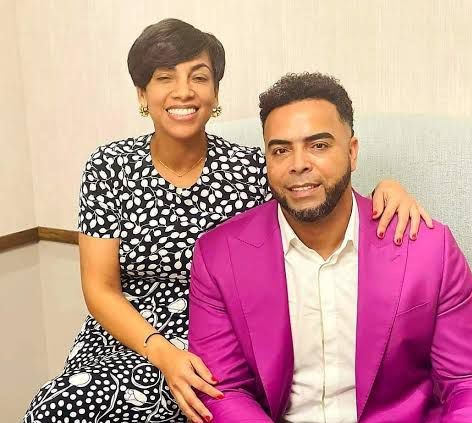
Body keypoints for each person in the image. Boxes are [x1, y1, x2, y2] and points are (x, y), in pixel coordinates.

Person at [23, 20, 431, 423]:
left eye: (198, 77)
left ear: (215, 92)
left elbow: (318, 195)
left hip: (225, 341)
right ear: (142, 93)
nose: (183, 91)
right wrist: (162, 352)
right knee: (56, 407)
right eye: (165, 77)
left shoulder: (251, 168)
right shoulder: (108, 166)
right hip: (131, 338)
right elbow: (100, 288)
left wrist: (386, 188)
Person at [188, 72, 472, 423]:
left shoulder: (428, 249)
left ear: (352, 152)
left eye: (318, 145)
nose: (298, 164)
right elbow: (224, 389)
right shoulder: (219, 257)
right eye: (281, 150)